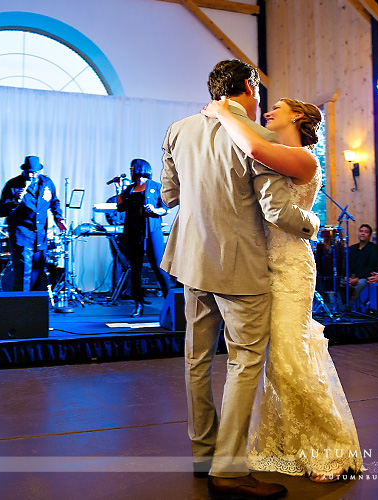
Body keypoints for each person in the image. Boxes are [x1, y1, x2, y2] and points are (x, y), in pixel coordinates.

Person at [161, 59, 320, 499]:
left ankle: (202, 457)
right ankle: (229, 470)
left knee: (196, 359)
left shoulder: (178, 129)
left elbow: (169, 195)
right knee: (244, 361)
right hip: (240, 267)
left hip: (191, 260)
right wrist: (313, 225)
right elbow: (276, 213)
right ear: (249, 86)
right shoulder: (262, 140)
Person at [201, 94, 363, 482]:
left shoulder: (305, 157)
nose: (269, 111)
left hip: (291, 267)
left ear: (300, 117)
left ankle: (332, 450)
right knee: (274, 359)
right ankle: (288, 442)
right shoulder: (276, 152)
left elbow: (253, 145)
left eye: (280, 107)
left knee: (291, 354)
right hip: (259, 266)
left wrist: (223, 112)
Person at [0, 156, 67, 292]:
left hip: (40, 235)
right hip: (21, 235)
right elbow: (1, 211)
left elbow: (54, 202)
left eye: (33, 172)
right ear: (23, 171)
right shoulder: (12, 185)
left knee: (38, 272)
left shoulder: (47, 183)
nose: (30, 175)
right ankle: (20, 306)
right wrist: (14, 200)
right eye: (27, 172)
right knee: (23, 272)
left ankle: (35, 305)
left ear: (39, 171)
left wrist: (59, 218)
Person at [116, 158, 172, 316]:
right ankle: (138, 303)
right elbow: (120, 208)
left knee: (158, 267)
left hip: (152, 231)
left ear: (141, 168)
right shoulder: (130, 188)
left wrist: (154, 210)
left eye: (132, 167)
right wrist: (119, 189)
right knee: (135, 269)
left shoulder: (156, 187)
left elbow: (165, 209)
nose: (131, 170)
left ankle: (170, 302)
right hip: (134, 233)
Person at [346, 224, 378, 302]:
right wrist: (345, 276)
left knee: (361, 283)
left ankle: (356, 307)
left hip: (365, 277)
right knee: (336, 280)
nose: (363, 233)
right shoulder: (352, 248)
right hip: (351, 276)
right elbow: (346, 264)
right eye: (361, 231)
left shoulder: (374, 249)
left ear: (369, 236)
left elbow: (372, 267)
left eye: (366, 232)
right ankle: (341, 307)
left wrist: (357, 279)